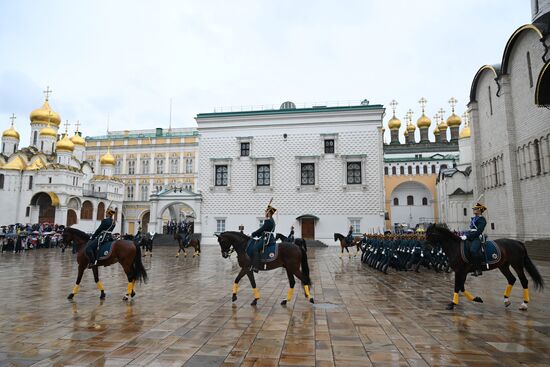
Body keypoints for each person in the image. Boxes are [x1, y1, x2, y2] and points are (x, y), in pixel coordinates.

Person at [460, 202, 487, 276]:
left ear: (480, 210)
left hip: (477, 237)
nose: (474, 210)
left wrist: (467, 236)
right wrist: (464, 234)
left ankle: (478, 269)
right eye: (474, 209)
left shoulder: (482, 220)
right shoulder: (474, 219)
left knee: (473, 250)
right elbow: (471, 230)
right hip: (471, 236)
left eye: (475, 209)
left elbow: (478, 231)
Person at [250, 202, 277, 273]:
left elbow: (262, 229)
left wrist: (253, 234)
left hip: (266, 238)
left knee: (255, 249)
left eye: (266, 211)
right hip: (268, 236)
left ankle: (256, 266)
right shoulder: (272, 220)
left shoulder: (268, 221)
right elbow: (264, 230)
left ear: (269, 213)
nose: (265, 213)